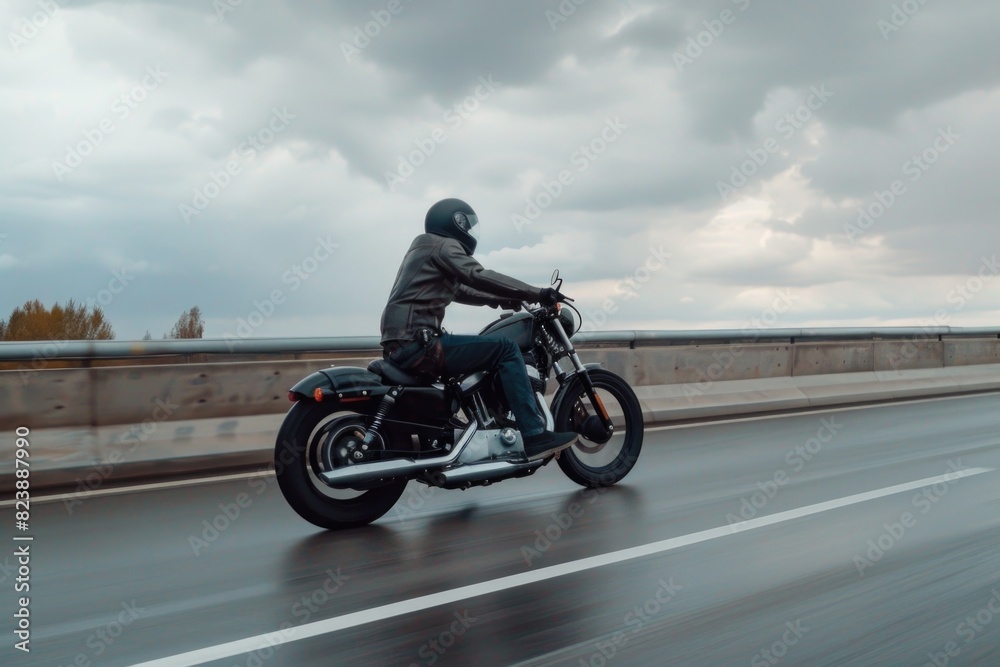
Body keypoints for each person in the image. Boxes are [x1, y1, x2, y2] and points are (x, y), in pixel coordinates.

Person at [379, 197, 578, 461]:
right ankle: (534, 435)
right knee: (506, 348)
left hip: (403, 344)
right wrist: (538, 293)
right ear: (456, 222)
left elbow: (462, 289)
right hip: (419, 344)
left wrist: (502, 299)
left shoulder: (424, 249)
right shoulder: (443, 245)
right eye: (468, 225)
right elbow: (478, 275)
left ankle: (478, 427)